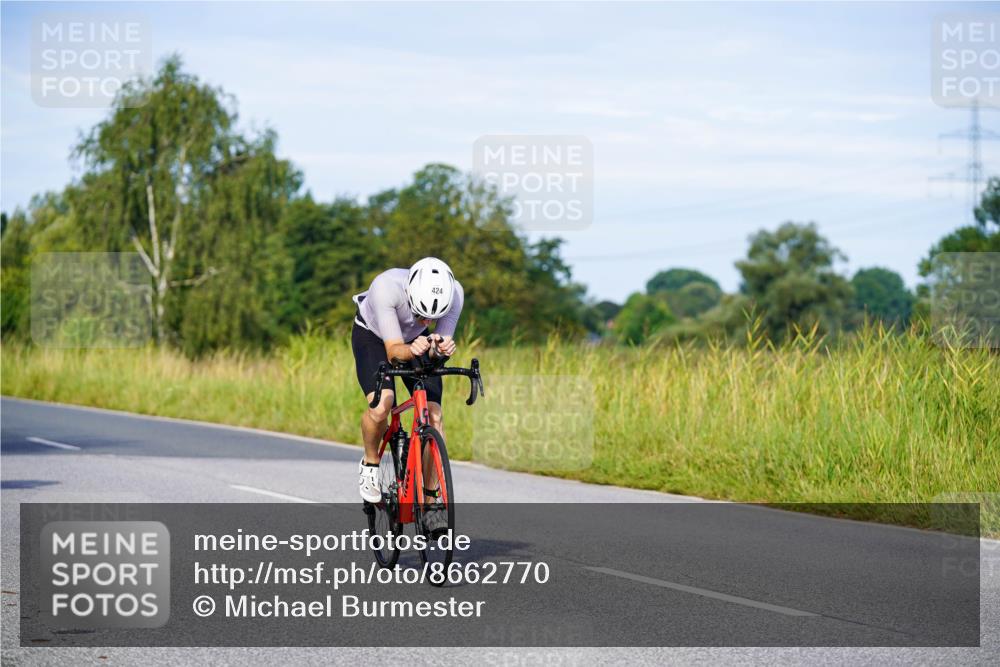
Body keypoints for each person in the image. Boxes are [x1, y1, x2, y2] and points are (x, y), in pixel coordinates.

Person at [351, 257, 463, 534]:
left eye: (432, 318)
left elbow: (435, 350)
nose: (427, 320)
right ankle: (370, 464)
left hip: (417, 340)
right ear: (411, 295)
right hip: (374, 337)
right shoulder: (386, 287)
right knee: (383, 403)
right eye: (420, 313)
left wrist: (439, 348)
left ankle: (430, 502)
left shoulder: (455, 294)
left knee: (434, 414)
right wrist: (412, 349)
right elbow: (393, 352)